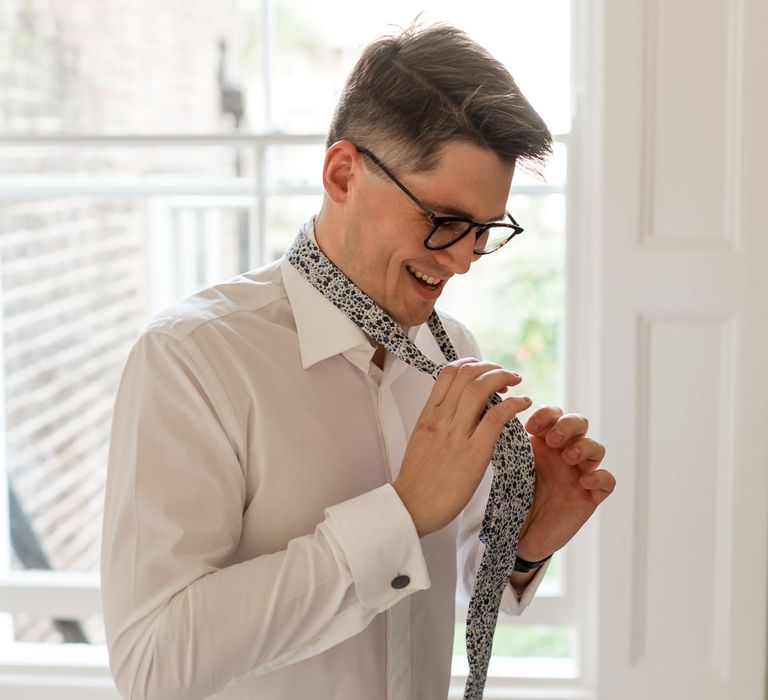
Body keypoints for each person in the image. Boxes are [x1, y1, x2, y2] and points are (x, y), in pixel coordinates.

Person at [101, 22, 615, 700]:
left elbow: (446, 575)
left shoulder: (452, 349)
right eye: (445, 220)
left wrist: (525, 541)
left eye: (485, 232)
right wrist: (398, 513)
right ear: (344, 173)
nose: (463, 260)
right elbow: (152, 664)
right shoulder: (192, 361)